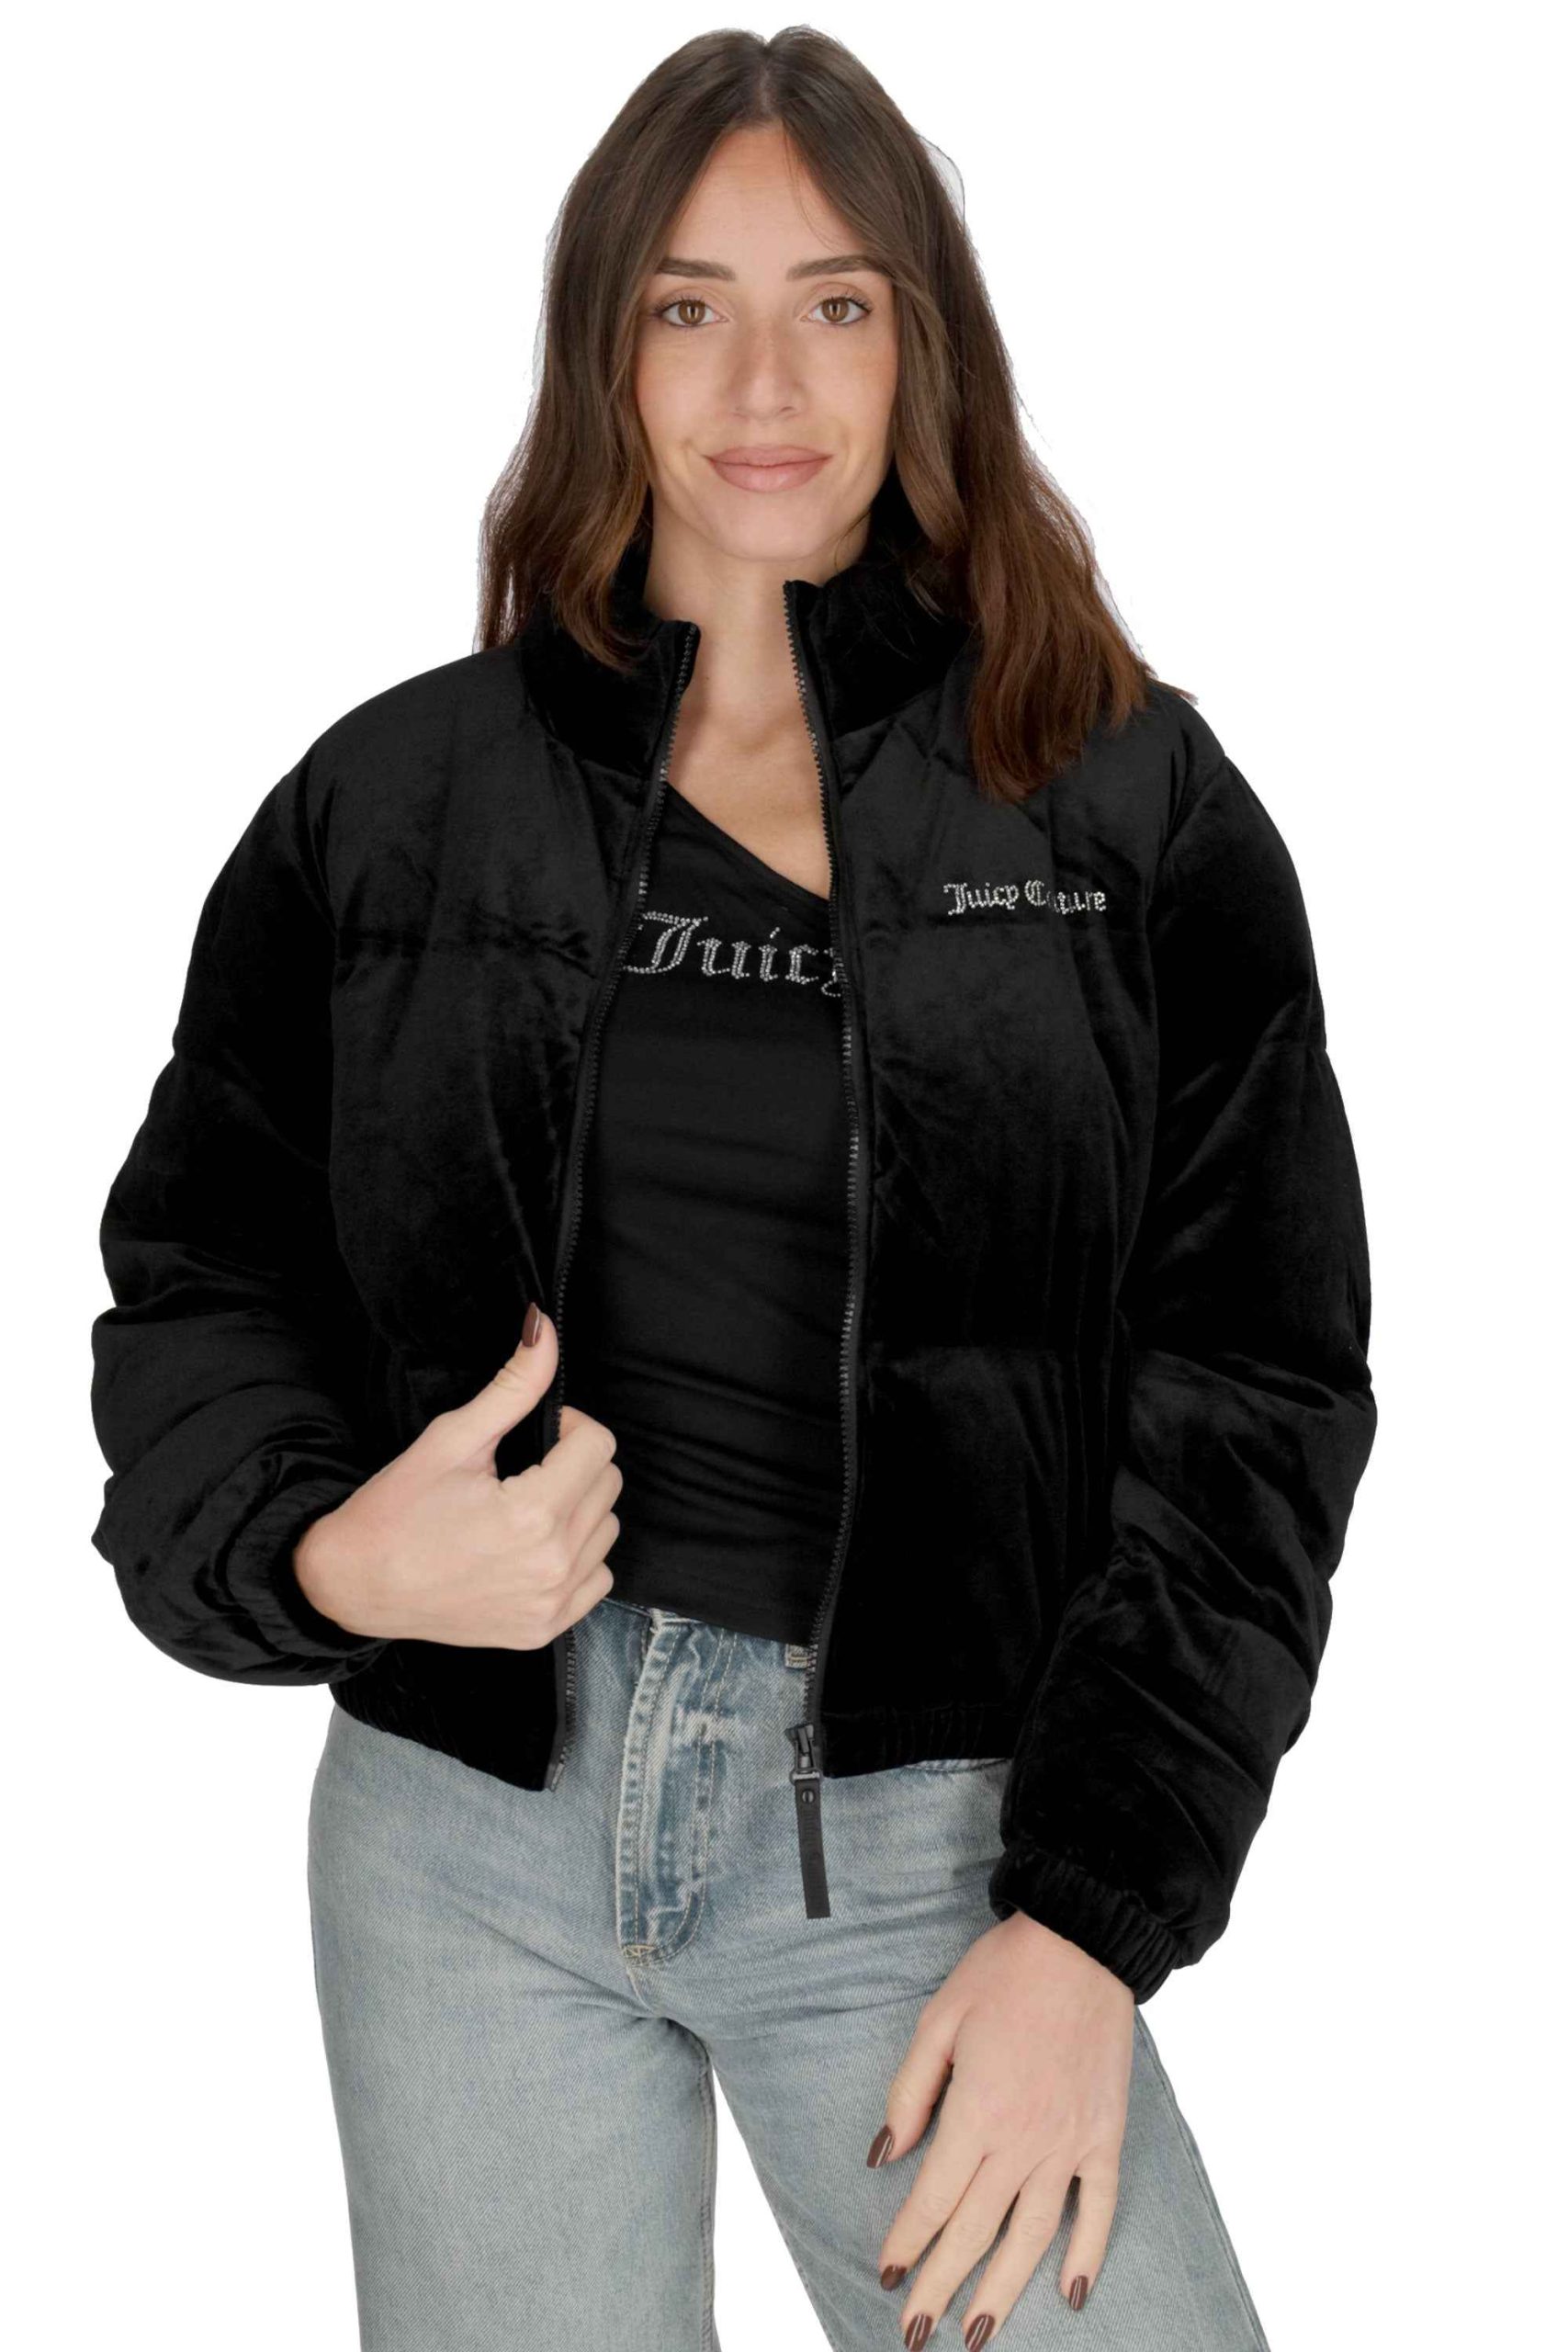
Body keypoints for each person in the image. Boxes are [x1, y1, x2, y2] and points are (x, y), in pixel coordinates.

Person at [87, 28, 1376, 2352]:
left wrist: (1085, 1921)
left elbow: (1257, 1386)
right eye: (687, 305)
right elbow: (198, 1267)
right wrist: (327, 1554)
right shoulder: (392, 802)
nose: (762, 384)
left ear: (920, 348)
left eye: (834, 303)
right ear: (605, 349)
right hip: (463, 1831)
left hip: (924, 1838)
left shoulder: (1120, 806)